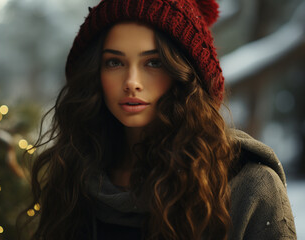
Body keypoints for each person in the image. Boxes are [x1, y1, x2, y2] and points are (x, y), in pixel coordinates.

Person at [24, 0, 297, 239]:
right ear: (94, 74)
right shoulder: (72, 178)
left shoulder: (249, 186)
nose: (131, 82)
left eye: (154, 63)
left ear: (187, 76)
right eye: (114, 63)